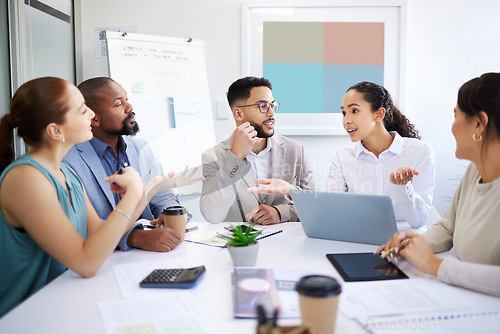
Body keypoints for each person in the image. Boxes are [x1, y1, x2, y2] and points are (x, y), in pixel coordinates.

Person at [0, 77, 200, 317]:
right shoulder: (26, 179)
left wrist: (150, 190)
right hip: (24, 315)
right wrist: (135, 193)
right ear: (55, 130)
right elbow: (87, 262)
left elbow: (100, 238)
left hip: (59, 302)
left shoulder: (65, 173)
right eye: (83, 109)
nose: (91, 115)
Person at [376, 72, 500, 297]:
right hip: (464, 296)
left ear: (479, 124)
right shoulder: (475, 171)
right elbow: (448, 228)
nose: (452, 128)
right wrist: (412, 245)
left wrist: (434, 265)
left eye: (456, 116)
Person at [249, 82, 435, 229]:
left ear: (379, 114)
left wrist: (402, 187)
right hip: (359, 242)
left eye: (354, 111)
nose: (346, 120)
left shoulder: (419, 152)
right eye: (344, 112)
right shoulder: (343, 158)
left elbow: (418, 221)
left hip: (403, 245)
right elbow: (331, 211)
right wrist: (290, 190)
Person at [63, 77, 181, 252]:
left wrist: (170, 214)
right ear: (93, 118)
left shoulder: (142, 148)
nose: (130, 108)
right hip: (101, 257)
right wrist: (134, 236)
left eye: (127, 100)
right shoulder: (68, 160)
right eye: (118, 104)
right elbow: (80, 223)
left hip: (151, 253)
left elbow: (162, 198)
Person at [200, 76, 316, 225]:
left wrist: (281, 213)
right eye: (262, 106)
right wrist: (234, 157)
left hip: (288, 243)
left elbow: (315, 204)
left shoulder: (295, 150)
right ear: (238, 114)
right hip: (242, 245)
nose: (271, 113)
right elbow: (212, 215)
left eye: (272, 105)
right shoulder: (213, 157)